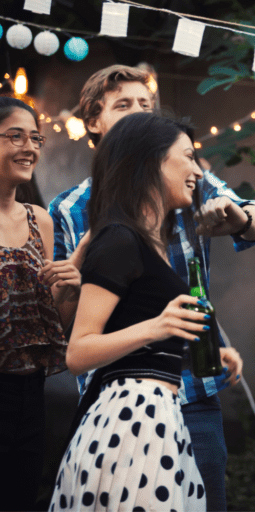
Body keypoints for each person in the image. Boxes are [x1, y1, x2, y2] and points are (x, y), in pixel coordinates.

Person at [47, 65, 255, 511]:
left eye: (145, 106)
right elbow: (72, 333)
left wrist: (239, 218)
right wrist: (78, 273)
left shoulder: (189, 184)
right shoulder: (79, 214)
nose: (194, 167)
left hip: (189, 389)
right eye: (123, 105)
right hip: (125, 401)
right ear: (95, 121)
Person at [50, 113, 214, 511]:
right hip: (132, 420)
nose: (197, 170)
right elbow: (78, 352)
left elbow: (139, 333)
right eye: (188, 157)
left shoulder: (146, 241)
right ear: (150, 162)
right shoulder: (119, 238)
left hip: (159, 414)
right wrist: (157, 327)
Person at [0, 97, 83, 511]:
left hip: (30, 394)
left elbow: (54, 323)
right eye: (15, 136)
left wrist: (68, 289)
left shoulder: (40, 220)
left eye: (34, 137)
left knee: (21, 496)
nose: (29, 147)